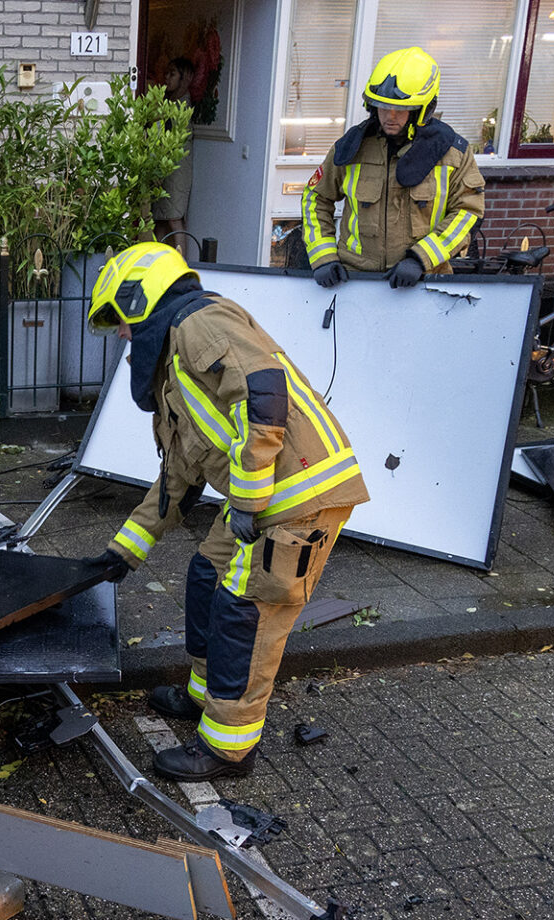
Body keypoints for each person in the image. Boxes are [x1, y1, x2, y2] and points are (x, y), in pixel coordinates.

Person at [84, 242, 368, 780]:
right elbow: (177, 482)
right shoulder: (177, 369)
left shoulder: (201, 322)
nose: (122, 336)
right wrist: (121, 553)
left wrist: (247, 499)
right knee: (205, 575)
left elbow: (263, 393)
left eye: (121, 322)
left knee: (246, 613)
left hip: (298, 500)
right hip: (266, 502)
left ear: (141, 300)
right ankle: (202, 697)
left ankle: (227, 748)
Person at [300, 47, 485, 290]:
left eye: (401, 109)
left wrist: (421, 258)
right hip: (355, 282)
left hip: (424, 283)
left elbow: (468, 212)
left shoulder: (452, 153)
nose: (390, 116)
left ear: (423, 108)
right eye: (383, 107)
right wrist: (323, 257)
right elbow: (315, 198)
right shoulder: (350, 149)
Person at [152, 57, 196, 246]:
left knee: (174, 218)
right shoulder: (168, 102)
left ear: (183, 78)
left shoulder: (183, 105)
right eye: (166, 74)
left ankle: (182, 264)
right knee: (160, 218)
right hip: (164, 166)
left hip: (176, 169)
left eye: (173, 74)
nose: (167, 78)